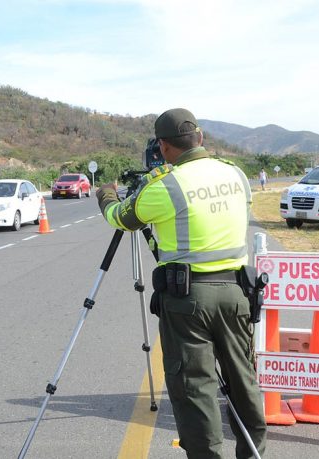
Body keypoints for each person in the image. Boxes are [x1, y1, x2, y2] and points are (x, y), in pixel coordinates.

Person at [96, 108, 266, 458]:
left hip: (188, 300)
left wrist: (107, 194)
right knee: (243, 380)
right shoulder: (236, 174)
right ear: (200, 137)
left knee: (195, 388)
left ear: (163, 146)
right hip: (237, 293)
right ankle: (254, 451)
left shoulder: (166, 187)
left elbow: (122, 219)